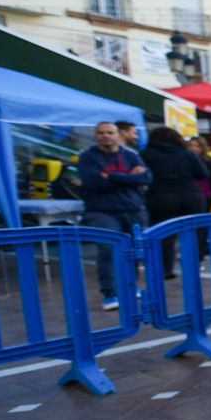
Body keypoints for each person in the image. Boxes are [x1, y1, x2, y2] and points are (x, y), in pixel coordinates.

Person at [78, 121, 151, 310]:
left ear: (118, 134)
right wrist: (128, 177)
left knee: (134, 249)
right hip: (101, 210)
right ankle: (110, 293)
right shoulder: (88, 157)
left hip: (132, 209)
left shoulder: (130, 155)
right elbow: (92, 182)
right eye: (101, 133)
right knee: (107, 251)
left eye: (110, 132)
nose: (106, 136)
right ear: (96, 135)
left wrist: (110, 176)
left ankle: (131, 285)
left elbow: (145, 178)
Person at [140, 127, 209, 278]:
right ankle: (193, 266)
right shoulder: (187, 154)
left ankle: (165, 269)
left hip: (161, 197)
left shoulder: (146, 154)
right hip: (191, 196)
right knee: (194, 233)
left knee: (164, 235)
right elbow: (203, 174)